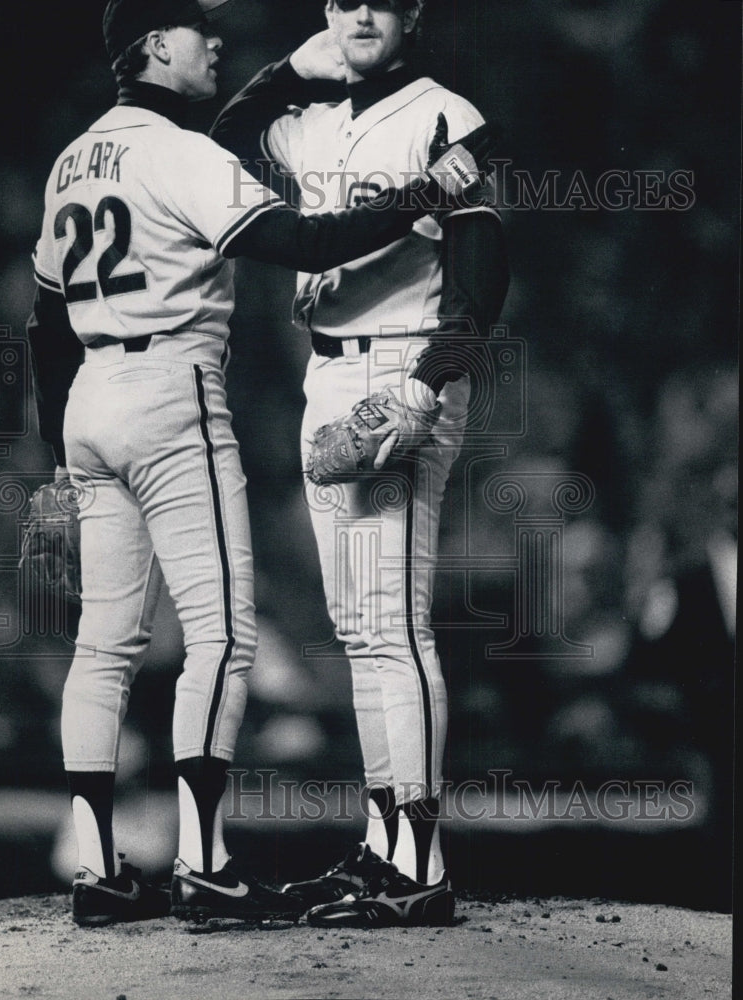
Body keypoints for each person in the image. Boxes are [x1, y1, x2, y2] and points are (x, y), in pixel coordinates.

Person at [27, 0, 490, 928]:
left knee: (110, 643)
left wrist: (49, 467)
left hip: (95, 400)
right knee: (243, 634)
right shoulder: (203, 147)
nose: (216, 44)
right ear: (158, 46)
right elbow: (304, 236)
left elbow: (44, 325)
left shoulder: (72, 157)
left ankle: (99, 868)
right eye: (199, 34)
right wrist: (412, 189)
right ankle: (221, 859)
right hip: (178, 392)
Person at [212, 0, 510, 927]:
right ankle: (385, 848)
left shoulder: (446, 116)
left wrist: (431, 383)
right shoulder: (306, 126)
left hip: (400, 366)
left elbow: (483, 269)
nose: (362, 13)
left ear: (412, 9)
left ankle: (420, 866)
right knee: (357, 629)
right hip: (324, 373)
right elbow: (213, 146)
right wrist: (289, 73)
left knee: (392, 622)